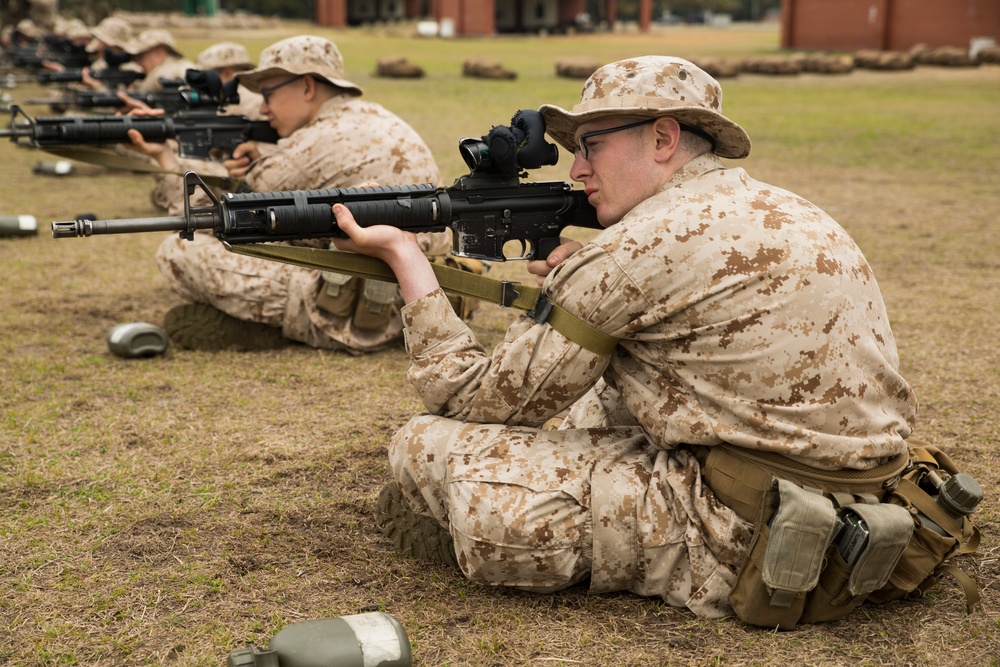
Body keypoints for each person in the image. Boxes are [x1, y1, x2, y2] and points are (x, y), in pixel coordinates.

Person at [330, 55, 918, 618]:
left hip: (745, 533)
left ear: (663, 139)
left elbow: (470, 398)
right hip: (870, 508)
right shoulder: (786, 206)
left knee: (423, 442)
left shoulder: (634, 249)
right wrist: (589, 286)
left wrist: (408, 261)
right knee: (588, 404)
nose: (577, 169)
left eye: (592, 144)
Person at [128, 35, 457, 353]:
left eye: (268, 94)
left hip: (360, 314)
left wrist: (165, 157)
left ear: (307, 86)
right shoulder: (375, 118)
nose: (264, 108)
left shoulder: (312, 143)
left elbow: (212, 219)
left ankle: (285, 327)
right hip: (429, 301)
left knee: (178, 251)